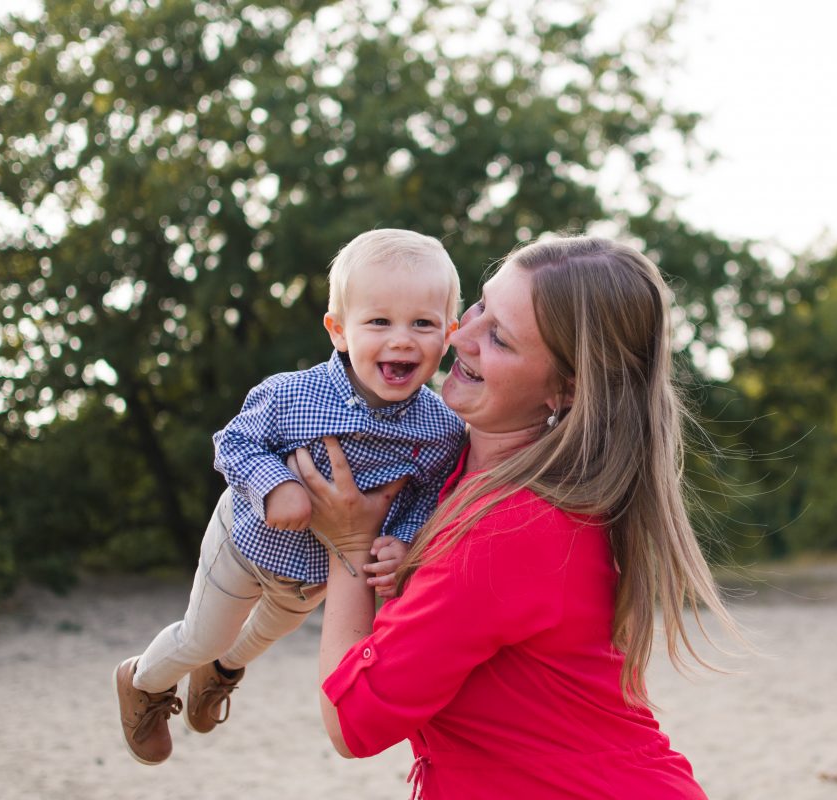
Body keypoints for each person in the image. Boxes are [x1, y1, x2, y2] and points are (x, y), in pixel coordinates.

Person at [294, 235, 744, 799]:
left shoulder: (512, 527)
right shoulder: (451, 470)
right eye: (480, 305)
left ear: (566, 387)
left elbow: (352, 722)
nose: (463, 334)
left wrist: (349, 543)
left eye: (500, 338)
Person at [113, 229, 467, 766]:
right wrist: (274, 485)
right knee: (203, 637)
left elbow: (427, 493)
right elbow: (233, 442)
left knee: (260, 637)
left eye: (422, 323)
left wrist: (401, 539)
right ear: (339, 330)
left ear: (449, 335)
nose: (401, 339)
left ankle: (221, 674)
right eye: (379, 321)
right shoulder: (293, 394)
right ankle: (141, 681)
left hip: (317, 572)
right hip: (247, 544)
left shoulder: (441, 430)